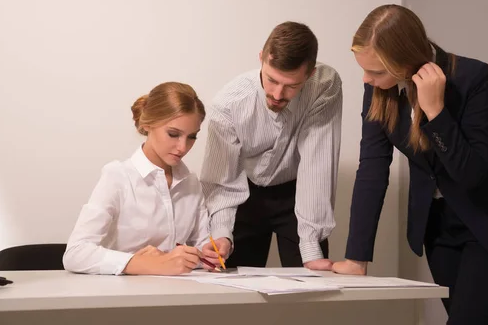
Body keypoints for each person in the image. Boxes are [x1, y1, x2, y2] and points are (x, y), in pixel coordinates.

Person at [333, 5, 488, 324]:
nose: (367, 79)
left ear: (406, 60)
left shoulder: (472, 77)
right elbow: (372, 168)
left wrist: (437, 113)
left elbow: (472, 173)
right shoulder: (378, 88)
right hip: (438, 227)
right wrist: (357, 258)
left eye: (376, 72)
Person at [200, 21, 342, 270]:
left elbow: (317, 160)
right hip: (245, 194)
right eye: (271, 80)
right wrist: (221, 232)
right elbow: (222, 179)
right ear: (261, 59)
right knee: (235, 291)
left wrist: (309, 246)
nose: (277, 94)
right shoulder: (228, 104)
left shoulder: (324, 85)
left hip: (299, 193)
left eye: (291, 86)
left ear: (309, 75)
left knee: (310, 288)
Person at [63, 82, 216, 275]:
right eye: (173, 134)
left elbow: (201, 248)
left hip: (178, 294)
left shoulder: (191, 183)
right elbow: (75, 254)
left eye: (192, 137)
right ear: (147, 124)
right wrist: (145, 264)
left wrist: (209, 255)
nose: (183, 147)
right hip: (124, 298)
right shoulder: (117, 177)